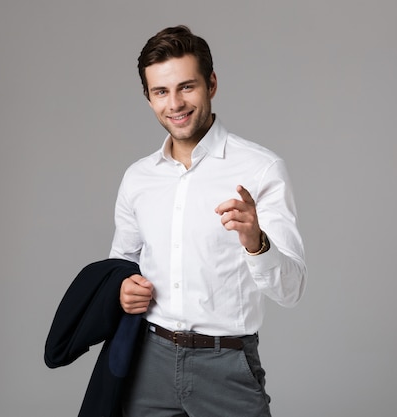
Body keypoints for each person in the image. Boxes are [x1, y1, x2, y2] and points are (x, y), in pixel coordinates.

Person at [109, 25, 306, 417]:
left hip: (226, 365)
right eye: (161, 92)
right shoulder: (138, 178)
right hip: (147, 363)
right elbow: (119, 267)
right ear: (148, 98)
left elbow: (292, 289)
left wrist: (256, 241)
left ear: (211, 83)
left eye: (187, 87)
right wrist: (122, 290)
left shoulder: (261, 169)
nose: (175, 103)